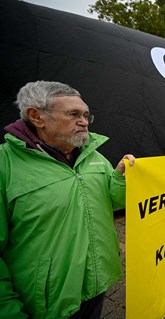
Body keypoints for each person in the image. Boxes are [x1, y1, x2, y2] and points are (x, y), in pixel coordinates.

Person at [0, 81, 135, 318]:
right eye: (73, 114)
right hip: (46, 304)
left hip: (97, 282)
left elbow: (112, 204)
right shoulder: (5, 166)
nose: (84, 121)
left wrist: (120, 178)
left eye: (85, 115)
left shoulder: (94, 156)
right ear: (37, 116)